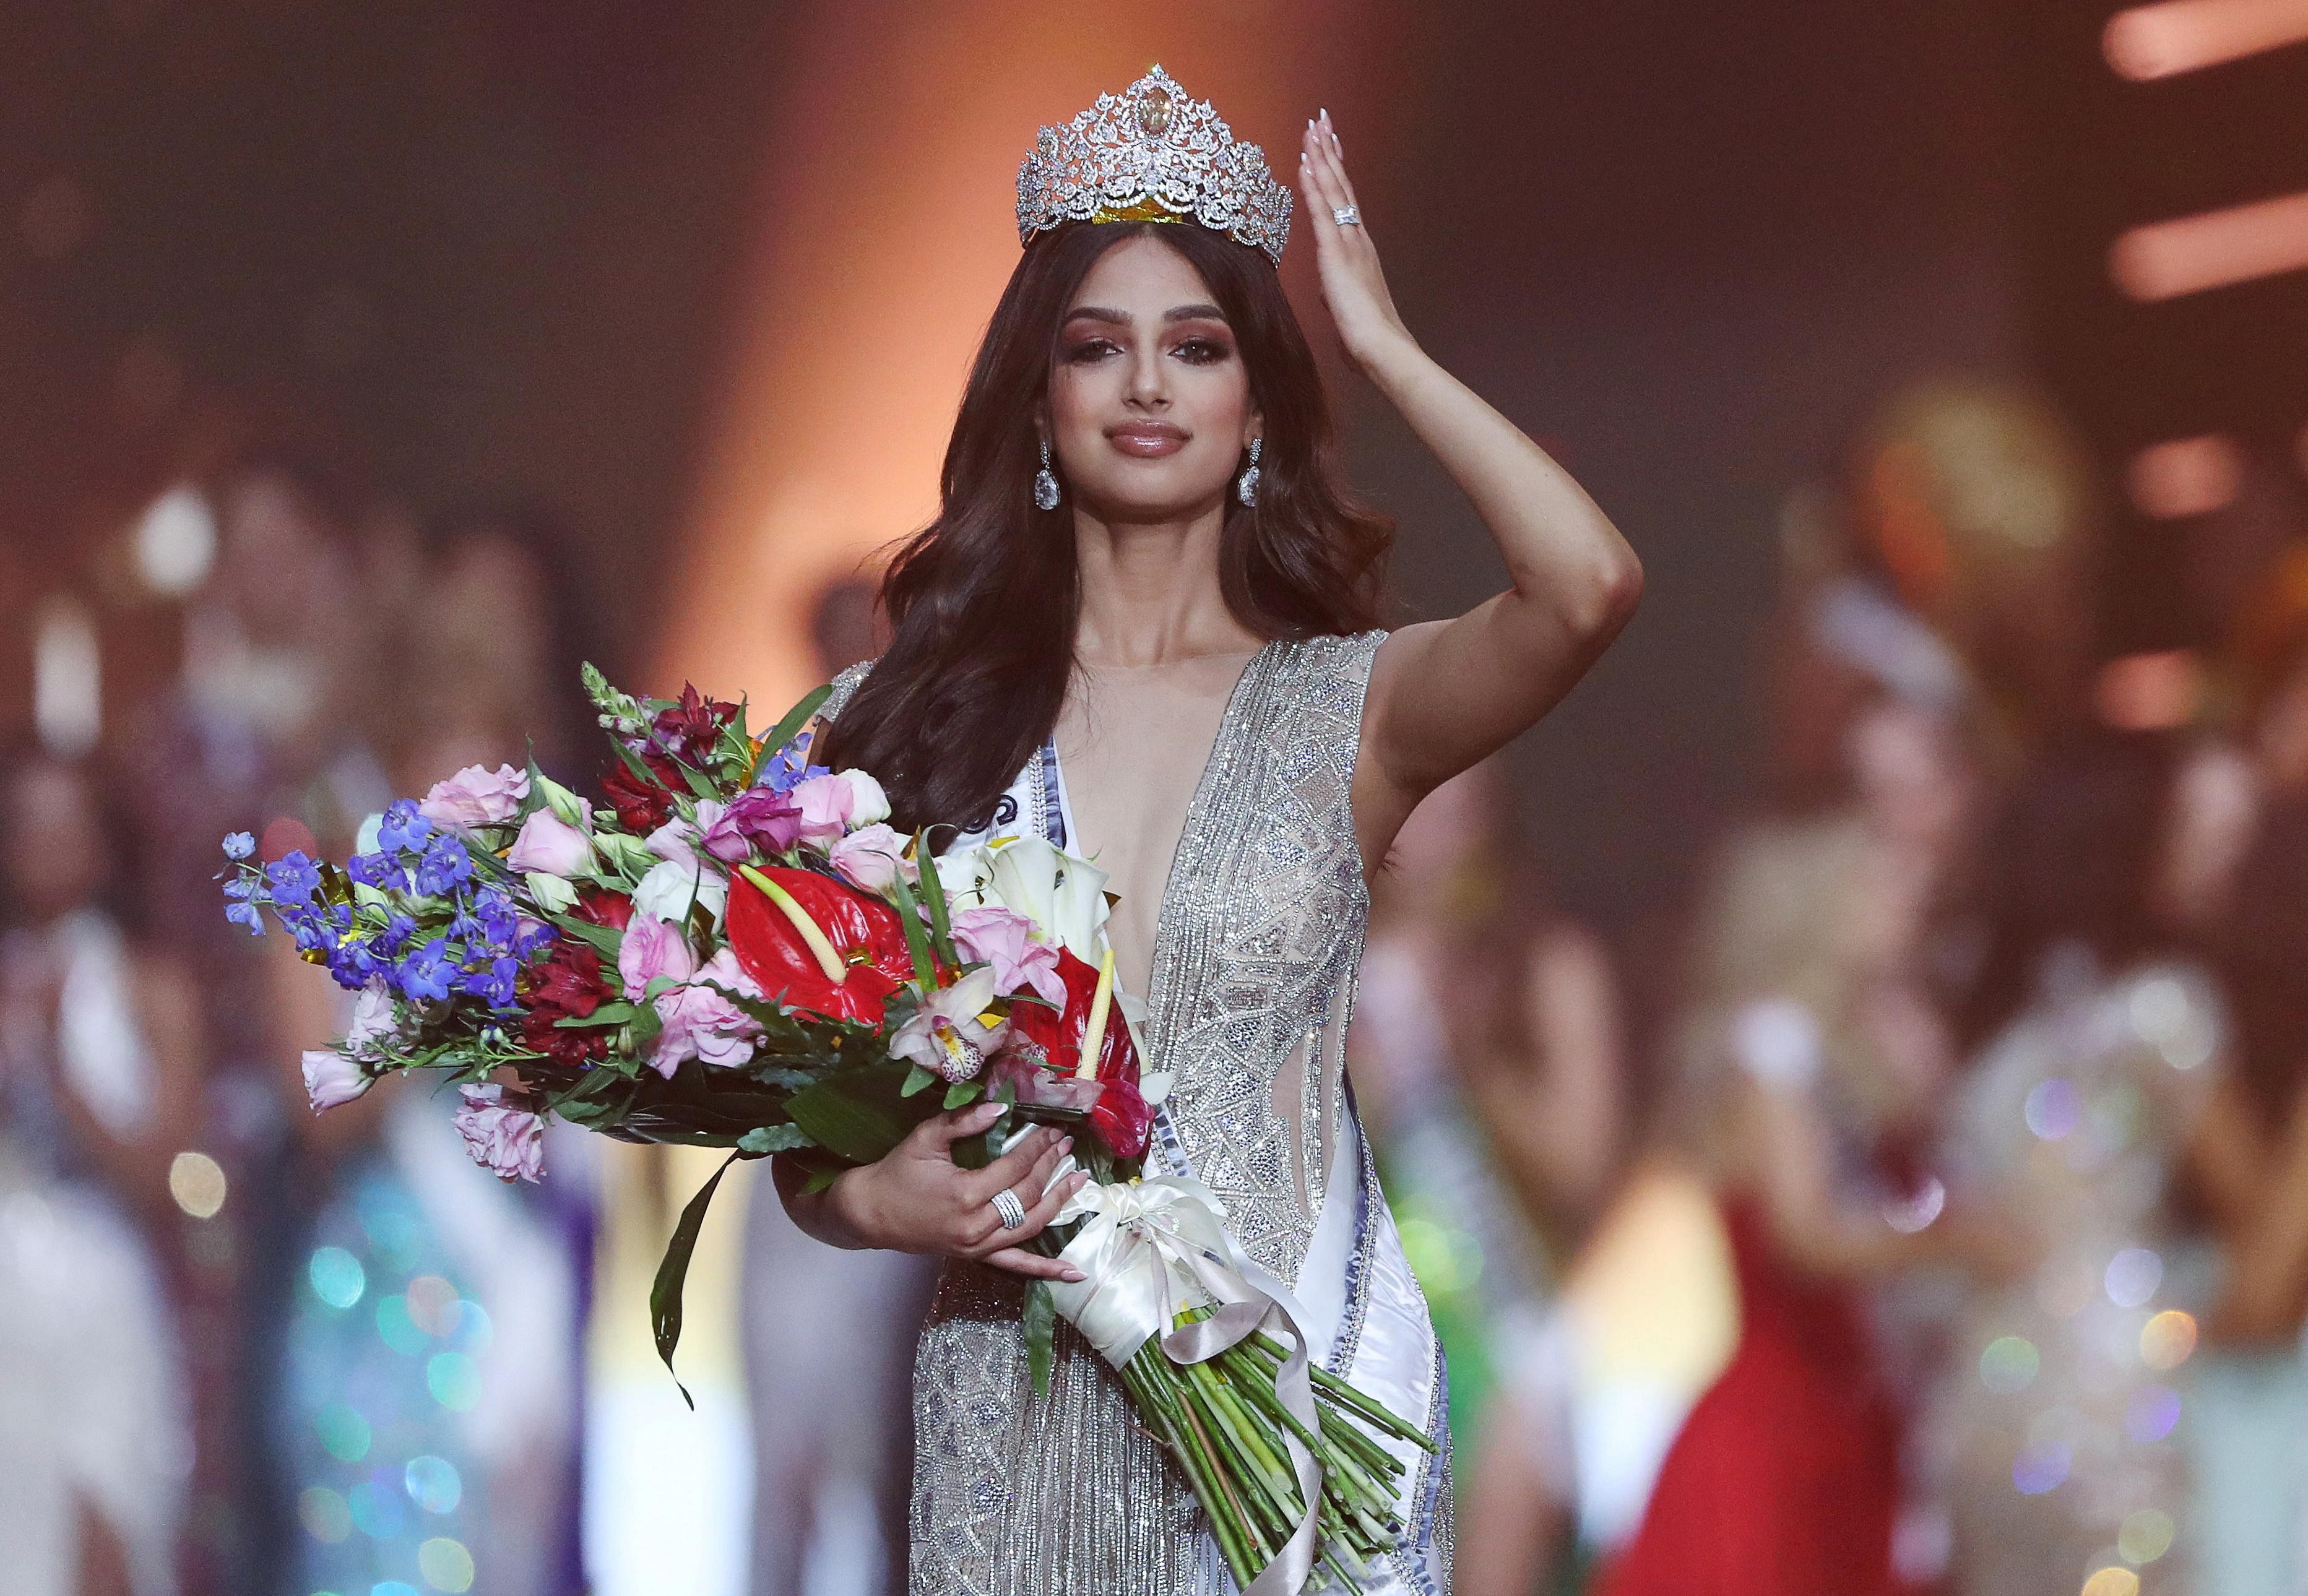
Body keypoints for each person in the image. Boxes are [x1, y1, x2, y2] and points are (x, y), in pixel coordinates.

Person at [767, 69, 1640, 1595]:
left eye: (1199, 346)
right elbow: (788, 1095)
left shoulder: (1349, 707)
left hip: (1306, 1384)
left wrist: (1382, 347)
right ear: (1036, 400)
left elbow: (1585, 586)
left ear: (1255, 406)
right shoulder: (908, 725)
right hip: (1019, 1389)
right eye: (1096, 349)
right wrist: (858, 1198)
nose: (1147, 387)